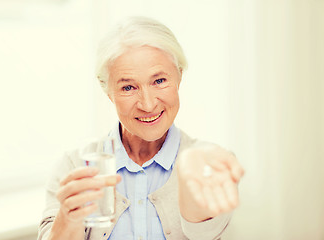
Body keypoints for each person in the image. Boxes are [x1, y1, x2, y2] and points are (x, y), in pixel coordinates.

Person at [37, 16, 244, 240]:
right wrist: (68, 218)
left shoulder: (207, 165)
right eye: (128, 87)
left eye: (159, 81)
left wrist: (196, 198)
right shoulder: (75, 165)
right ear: (108, 91)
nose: (148, 104)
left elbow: (206, 233)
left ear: (179, 76)